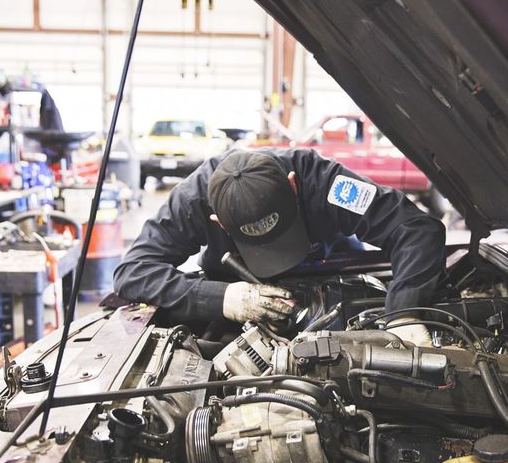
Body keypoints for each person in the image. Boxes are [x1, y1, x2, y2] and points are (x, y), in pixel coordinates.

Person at [113, 147, 446, 344]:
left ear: (293, 187)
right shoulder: (193, 201)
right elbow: (133, 271)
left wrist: (404, 312)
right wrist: (223, 298)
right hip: (241, 291)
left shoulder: (324, 182)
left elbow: (416, 229)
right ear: (218, 222)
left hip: (331, 277)